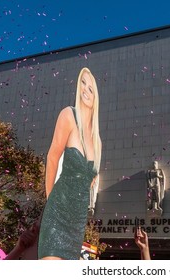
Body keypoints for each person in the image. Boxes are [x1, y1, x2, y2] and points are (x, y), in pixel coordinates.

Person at [38, 67, 102, 260]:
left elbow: (91, 181)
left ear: (96, 96)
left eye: (90, 87)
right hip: (57, 213)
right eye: (82, 83)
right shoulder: (68, 115)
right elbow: (52, 158)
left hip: (77, 224)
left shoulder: (98, 141)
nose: (85, 89)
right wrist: (51, 202)